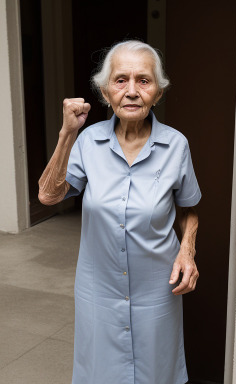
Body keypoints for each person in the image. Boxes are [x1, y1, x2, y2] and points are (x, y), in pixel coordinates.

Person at [38, 40, 202, 384]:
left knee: (158, 372)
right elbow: (48, 196)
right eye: (120, 80)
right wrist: (68, 133)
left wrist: (187, 250)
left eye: (143, 80)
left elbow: (189, 208)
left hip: (158, 289)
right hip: (98, 288)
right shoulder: (87, 142)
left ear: (158, 93)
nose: (131, 91)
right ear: (105, 92)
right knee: (99, 372)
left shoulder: (176, 145)